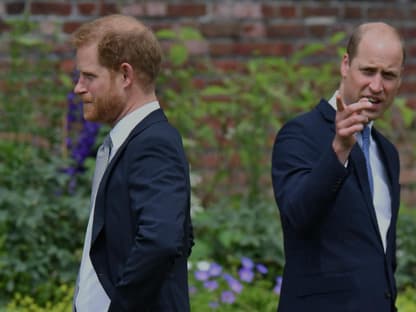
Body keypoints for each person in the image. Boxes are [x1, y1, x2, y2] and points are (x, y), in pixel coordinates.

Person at [271, 22, 404, 312]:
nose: (377, 86)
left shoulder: (388, 154)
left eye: (389, 75)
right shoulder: (299, 134)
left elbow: (381, 259)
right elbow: (297, 215)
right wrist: (339, 150)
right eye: (368, 71)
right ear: (346, 65)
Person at [71, 14, 193, 312]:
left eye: (89, 76)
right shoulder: (132, 141)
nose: (78, 88)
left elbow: (161, 241)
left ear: (125, 76)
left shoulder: (154, 144)